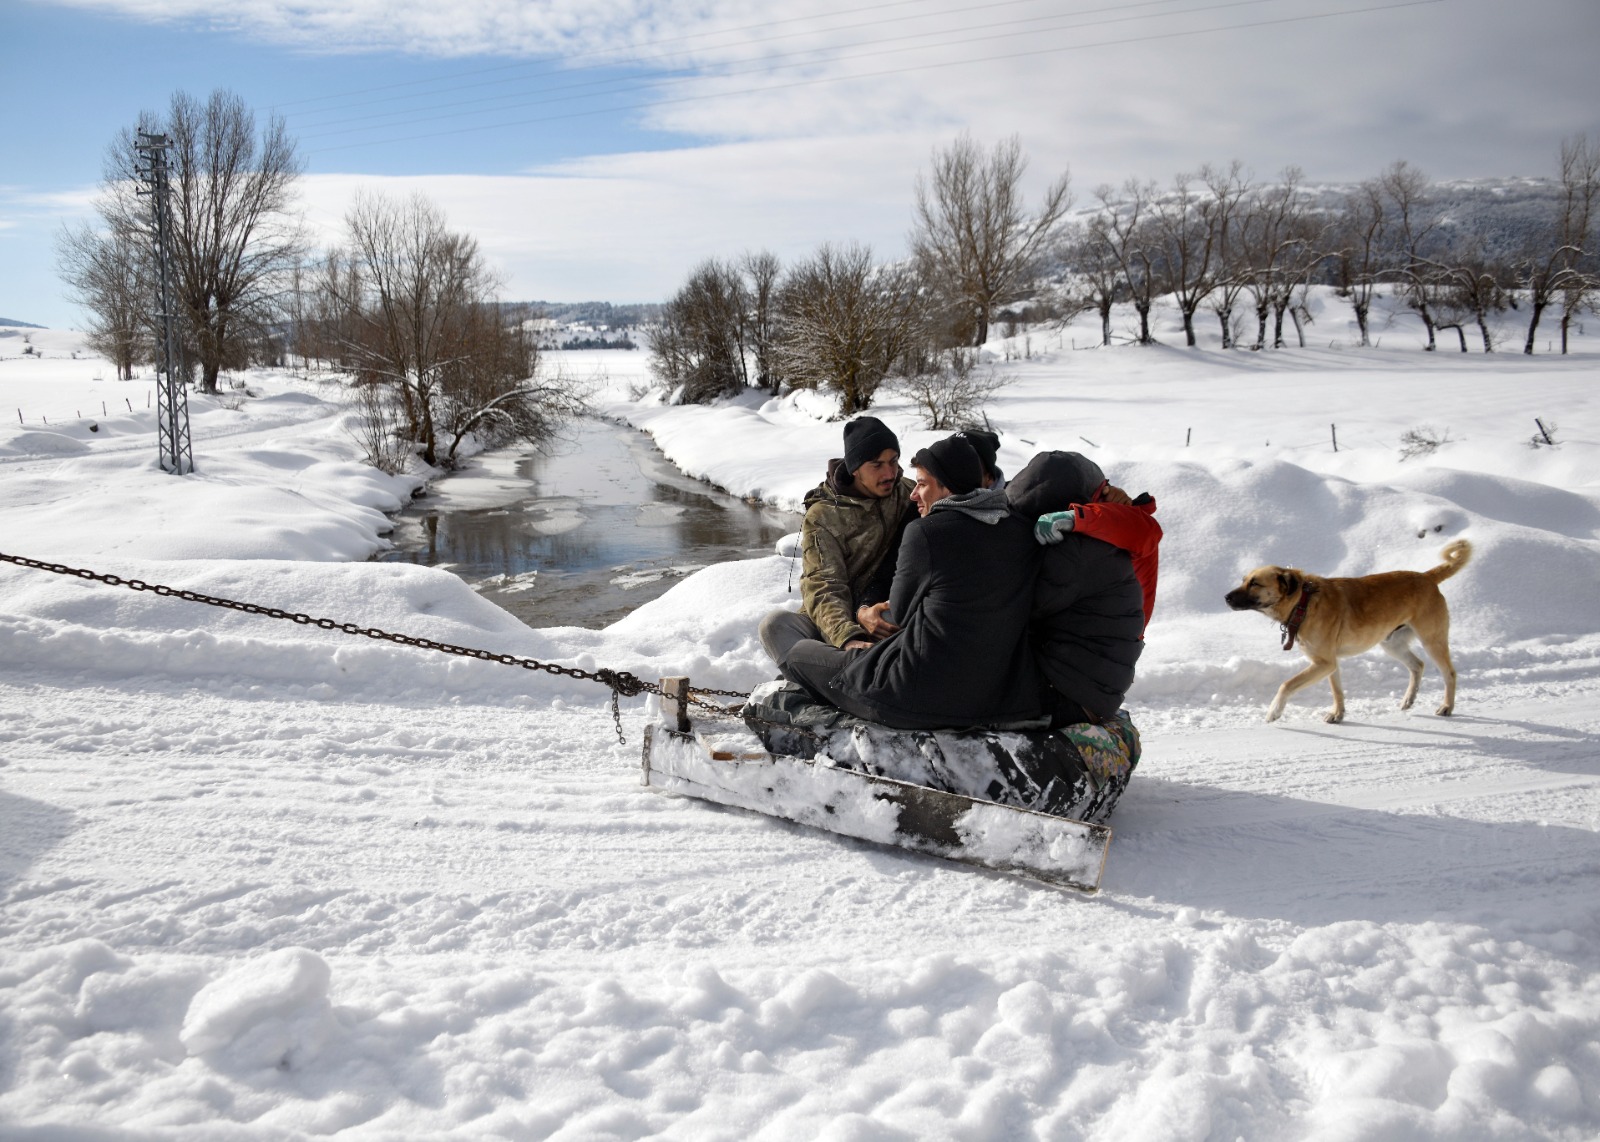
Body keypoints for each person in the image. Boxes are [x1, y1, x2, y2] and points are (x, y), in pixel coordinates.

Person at [780, 435, 1042, 730]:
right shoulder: (1020, 528)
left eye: (922, 484)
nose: (913, 495)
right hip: (1001, 699)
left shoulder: (927, 533)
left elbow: (902, 611)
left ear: (947, 486)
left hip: (919, 698)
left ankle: (827, 711)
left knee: (799, 655)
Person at [1006, 452, 1154, 726]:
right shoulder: (1096, 537)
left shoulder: (1078, 550)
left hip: (1073, 692)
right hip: (1092, 680)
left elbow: (1014, 609)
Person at [758, 416, 916, 669]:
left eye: (894, 461)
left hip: (883, 612)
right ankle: (837, 674)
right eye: (876, 465)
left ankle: (840, 675)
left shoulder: (910, 493)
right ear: (855, 469)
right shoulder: (823, 516)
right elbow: (823, 585)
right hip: (834, 621)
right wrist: (847, 637)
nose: (889, 473)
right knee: (775, 626)